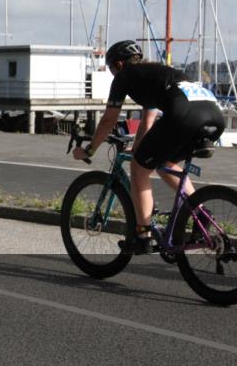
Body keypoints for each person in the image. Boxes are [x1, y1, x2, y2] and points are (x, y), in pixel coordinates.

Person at [72, 40, 224, 253]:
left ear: (119, 65)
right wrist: (137, 150)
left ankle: (142, 236)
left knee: (138, 169)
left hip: (184, 115)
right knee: (162, 160)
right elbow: (147, 121)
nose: (113, 74)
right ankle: (200, 213)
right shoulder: (156, 74)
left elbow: (108, 120)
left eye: (112, 69)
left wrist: (89, 150)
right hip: (214, 116)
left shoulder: (125, 76)